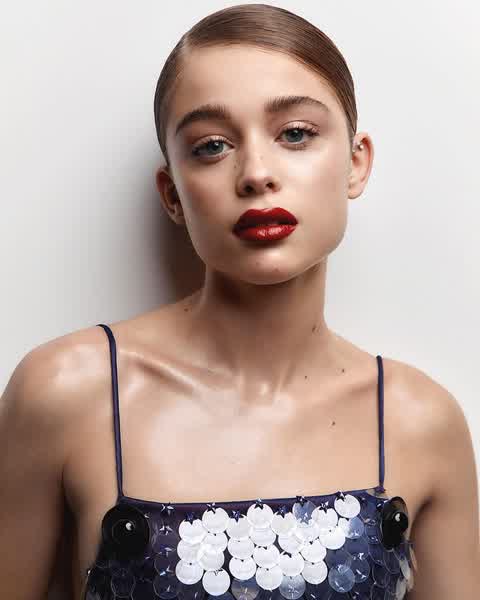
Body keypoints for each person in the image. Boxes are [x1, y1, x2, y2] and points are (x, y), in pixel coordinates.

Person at [1, 4, 478, 599]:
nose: (256, 173)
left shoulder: (421, 421)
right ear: (173, 195)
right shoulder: (67, 392)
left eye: (295, 134)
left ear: (356, 164)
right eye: (212, 146)